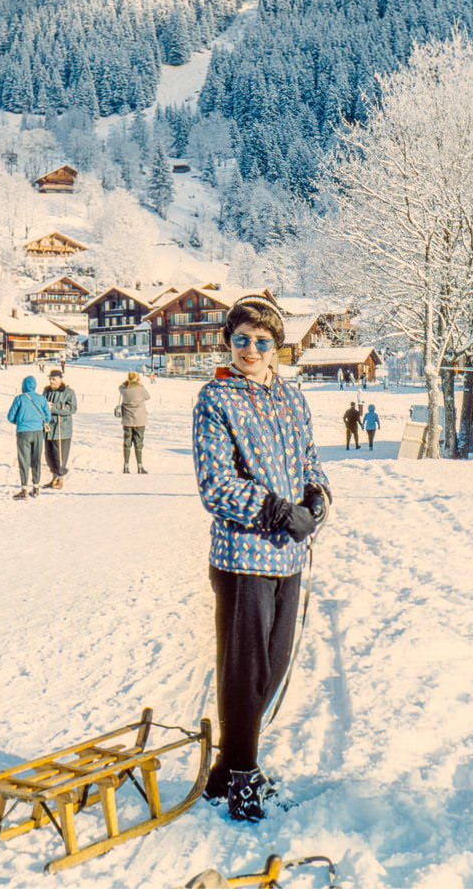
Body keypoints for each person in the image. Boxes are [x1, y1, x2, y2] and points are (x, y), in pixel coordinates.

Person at [192, 295, 330, 823]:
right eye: (242, 339)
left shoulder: (293, 398)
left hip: (289, 556)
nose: (251, 350)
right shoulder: (216, 398)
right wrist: (274, 509)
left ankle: (225, 770)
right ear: (229, 342)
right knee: (244, 670)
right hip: (243, 553)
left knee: (273, 666)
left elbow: (310, 458)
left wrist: (316, 496)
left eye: (262, 342)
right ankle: (243, 779)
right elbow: (216, 484)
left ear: (277, 348)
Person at [7, 375, 51, 499]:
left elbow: (10, 417)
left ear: (23, 386)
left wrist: (19, 421)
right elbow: (48, 417)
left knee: (24, 460)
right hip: (38, 432)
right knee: (36, 459)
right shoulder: (42, 399)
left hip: (23, 432)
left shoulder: (19, 399)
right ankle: (36, 487)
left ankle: (24, 489)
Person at [42, 368, 77, 489]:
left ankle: (60, 479)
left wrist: (55, 407)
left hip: (62, 429)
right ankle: (54, 478)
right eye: (50, 379)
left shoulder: (68, 392)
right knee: (49, 455)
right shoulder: (46, 392)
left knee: (60, 456)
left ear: (60, 379)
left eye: (54, 379)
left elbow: (72, 408)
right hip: (48, 429)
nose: (51, 381)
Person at [118, 370, 150, 473]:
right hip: (139, 419)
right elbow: (147, 397)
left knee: (127, 443)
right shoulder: (140, 388)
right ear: (137, 378)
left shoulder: (124, 389)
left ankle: (126, 466)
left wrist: (127, 382)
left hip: (127, 419)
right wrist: (139, 383)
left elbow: (120, 387)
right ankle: (140, 467)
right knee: (138, 443)